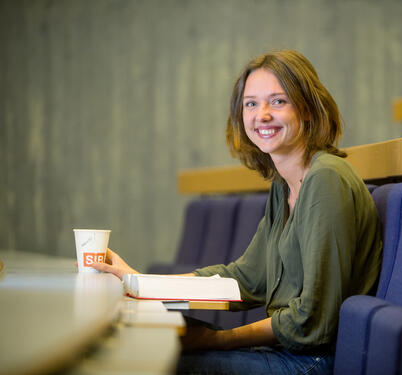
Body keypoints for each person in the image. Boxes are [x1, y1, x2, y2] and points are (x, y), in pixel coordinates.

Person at [93, 49, 382, 375]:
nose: (262, 114)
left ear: (308, 110)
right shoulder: (283, 187)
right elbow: (245, 280)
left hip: (310, 363)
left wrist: (216, 339)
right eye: (251, 104)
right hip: (289, 353)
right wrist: (140, 283)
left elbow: (313, 320)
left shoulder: (326, 179)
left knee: (152, 363)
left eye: (278, 101)